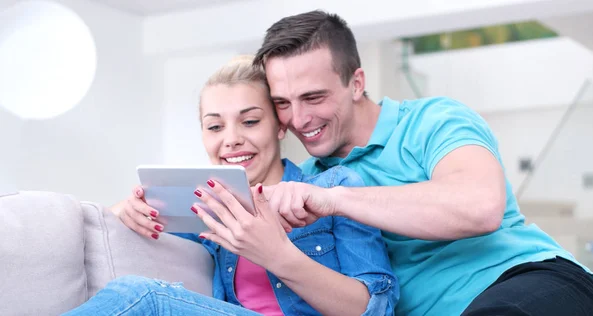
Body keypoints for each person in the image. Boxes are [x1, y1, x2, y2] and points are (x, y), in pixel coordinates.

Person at [251, 10, 593, 316]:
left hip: (529, 279)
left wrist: (336, 199)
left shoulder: (433, 121)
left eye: (313, 97)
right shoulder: (302, 183)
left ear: (356, 84)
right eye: (283, 103)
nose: (298, 119)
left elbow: (480, 206)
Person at [64, 56, 398, 316]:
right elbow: (104, 230)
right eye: (214, 126)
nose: (232, 140)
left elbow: (376, 308)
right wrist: (126, 209)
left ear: (280, 127)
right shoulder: (205, 205)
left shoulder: (334, 188)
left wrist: (277, 255)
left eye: (250, 121)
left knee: (143, 297)